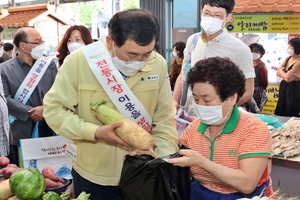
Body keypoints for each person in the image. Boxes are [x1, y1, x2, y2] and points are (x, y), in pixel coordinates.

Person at [43, 9, 179, 199]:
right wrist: (95, 132)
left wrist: (162, 158)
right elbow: (54, 110)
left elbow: (164, 117)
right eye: (131, 54)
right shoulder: (80, 62)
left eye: (146, 53)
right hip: (94, 172)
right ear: (110, 42)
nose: (139, 61)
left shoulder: (158, 63)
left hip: (143, 171)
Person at [168, 57, 273, 200]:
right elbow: (174, 156)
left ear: (231, 98)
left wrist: (202, 162)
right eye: (196, 100)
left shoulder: (253, 129)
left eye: (207, 100)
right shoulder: (195, 128)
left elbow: (247, 184)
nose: (200, 106)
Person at [172, 0, 254, 116]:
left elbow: (248, 90)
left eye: (217, 15)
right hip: (189, 114)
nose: (211, 18)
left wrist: (223, 110)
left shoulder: (240, 49)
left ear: (228, 17)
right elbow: (183, 73)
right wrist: (175, 99)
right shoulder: (193, 41)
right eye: (207, 13)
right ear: (201, 12)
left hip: (219, 118)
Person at [0, 27, 58, 166]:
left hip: (49, 124)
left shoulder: (48, 64)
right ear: (22, 45)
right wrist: (31, 112)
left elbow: (59, 90)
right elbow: (5, 98)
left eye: (41, 42)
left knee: (52, 167)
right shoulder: (4, 69)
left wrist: (45, 109)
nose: (41, 46)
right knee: (25, 171)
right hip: (20, 128)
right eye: (36, 42)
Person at [275, 38, 300, 117]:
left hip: (294, 89)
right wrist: (283, 73)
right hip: (284, 88)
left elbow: (289, 79)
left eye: (291, 46)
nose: (289, 48)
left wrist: (281, 73)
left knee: (291, 110)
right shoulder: (288, 58)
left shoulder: (298, 62)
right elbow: (278, 70)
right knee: (282, 108)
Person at [249, 43, 268, 111]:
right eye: (252, 51)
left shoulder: (261, 66)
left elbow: (264, 82)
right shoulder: (249, 63)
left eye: (256, 52)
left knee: (256, 110)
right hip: (249, 91)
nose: (253, 53)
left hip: (257, 92)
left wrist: (259, 90)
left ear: (261, 54)